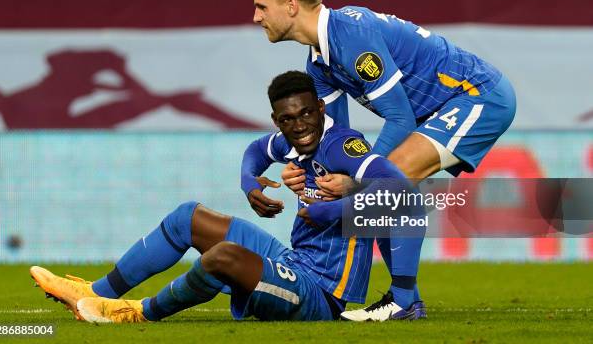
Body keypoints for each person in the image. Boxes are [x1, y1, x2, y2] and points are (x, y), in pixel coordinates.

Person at [250, 0, 517, 321]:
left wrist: (358, 178)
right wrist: (305, 172)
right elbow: (333, 141)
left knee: (387, 182)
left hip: (477, 95)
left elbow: (400, 117)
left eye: (262, 6)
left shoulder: (351, 37)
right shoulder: (318, 64)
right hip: (441, 111)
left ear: (291, 6)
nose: (256, 16)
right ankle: (407, 301)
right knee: (374, 189)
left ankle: (404, 301)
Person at [30, 71, 416, 322]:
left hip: (321, 293)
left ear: (319, 108)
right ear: (276, 121)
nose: (299, 126)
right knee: (188, 217)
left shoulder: (343, 146)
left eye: (305, 114)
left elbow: (402, 193)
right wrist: (249, 183)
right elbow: (254, 152)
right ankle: (94, 293)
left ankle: (134, 313)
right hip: (293, 260)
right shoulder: (292, 141)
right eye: (287, 120)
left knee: (223, 257)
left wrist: (332, 210)